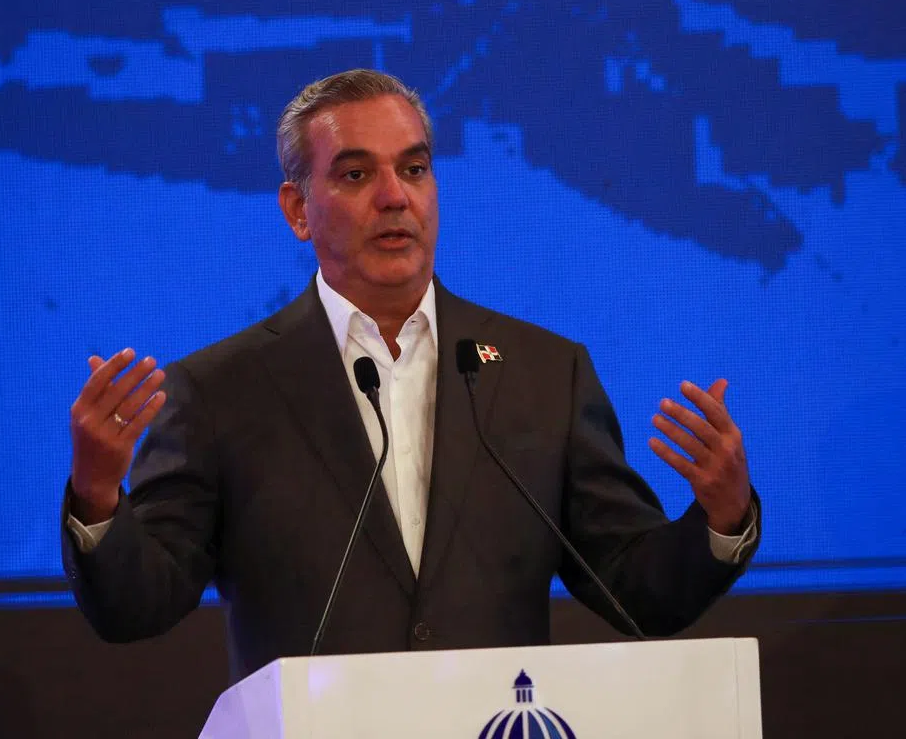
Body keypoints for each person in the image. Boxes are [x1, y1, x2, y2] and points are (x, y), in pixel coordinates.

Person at [62, 69, 760, 684]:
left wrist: (721, 518)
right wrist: (97, 497)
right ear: (298, 209)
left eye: (415, 168)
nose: (396, 197)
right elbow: (137, 607)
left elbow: (636, 590)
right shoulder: (221, 392)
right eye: (357, 174)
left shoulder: (543, 374)